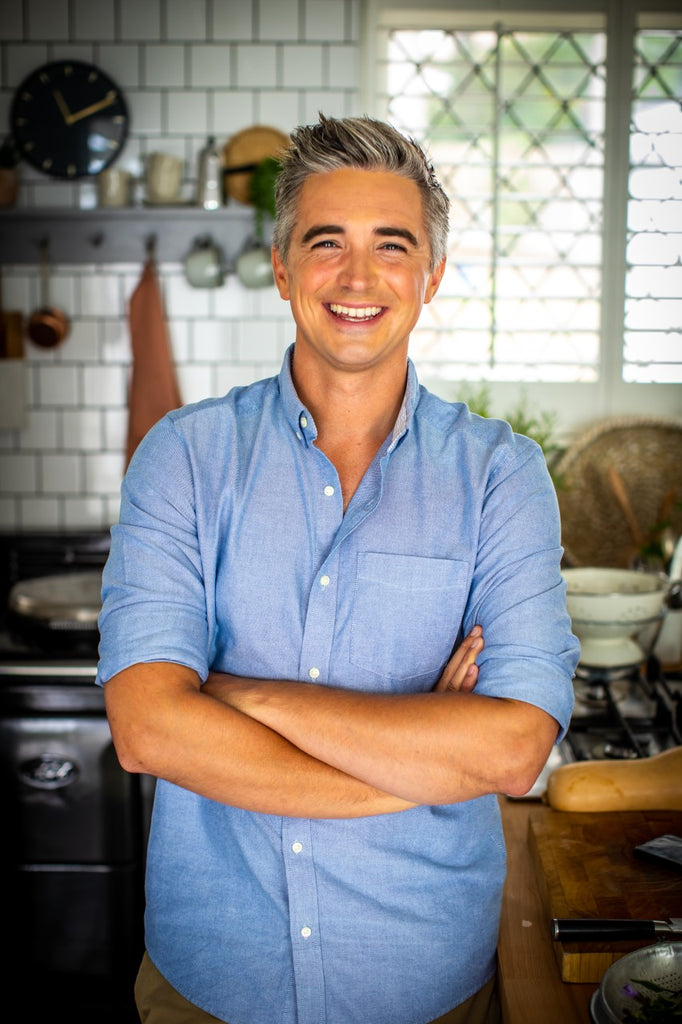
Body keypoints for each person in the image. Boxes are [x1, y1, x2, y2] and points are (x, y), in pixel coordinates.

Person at [97, 113, 579, 1024]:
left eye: (391, 246)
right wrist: (428, 756)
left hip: (426, 987)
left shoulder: (499, 475)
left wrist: (238, 696)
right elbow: (149, 733)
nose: (358, 278)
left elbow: (515, 748)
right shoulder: (184, 457)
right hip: (211, 987)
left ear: (430, 276)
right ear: (283, 269)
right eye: (328, 244)